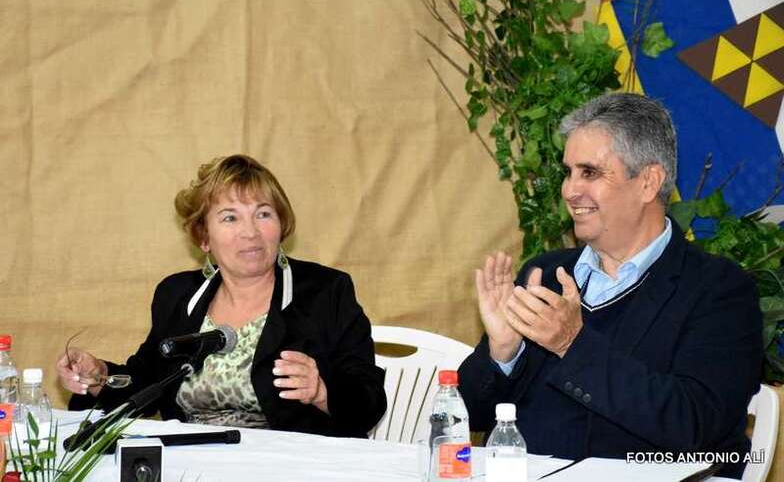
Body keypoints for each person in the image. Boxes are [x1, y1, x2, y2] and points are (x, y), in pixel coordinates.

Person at [458, 93, 762, 478]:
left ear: (648, 182)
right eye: (568, 172)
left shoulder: (719, 290)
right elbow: (471, 415)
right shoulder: (545, 275)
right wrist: (502, 354)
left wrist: (573, 344)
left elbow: (695, 425)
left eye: (589, 173)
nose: (569, 190)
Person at [56, 154, 386, 438]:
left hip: (290, 466)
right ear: (204, 237)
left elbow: (369, 400)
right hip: (191, 464)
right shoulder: (177, 296)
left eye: (263, 214)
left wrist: (322, 393)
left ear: (281, 224)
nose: (250, 232)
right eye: (230, 217)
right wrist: (99, 377)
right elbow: (146, 382)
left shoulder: (326, 292)